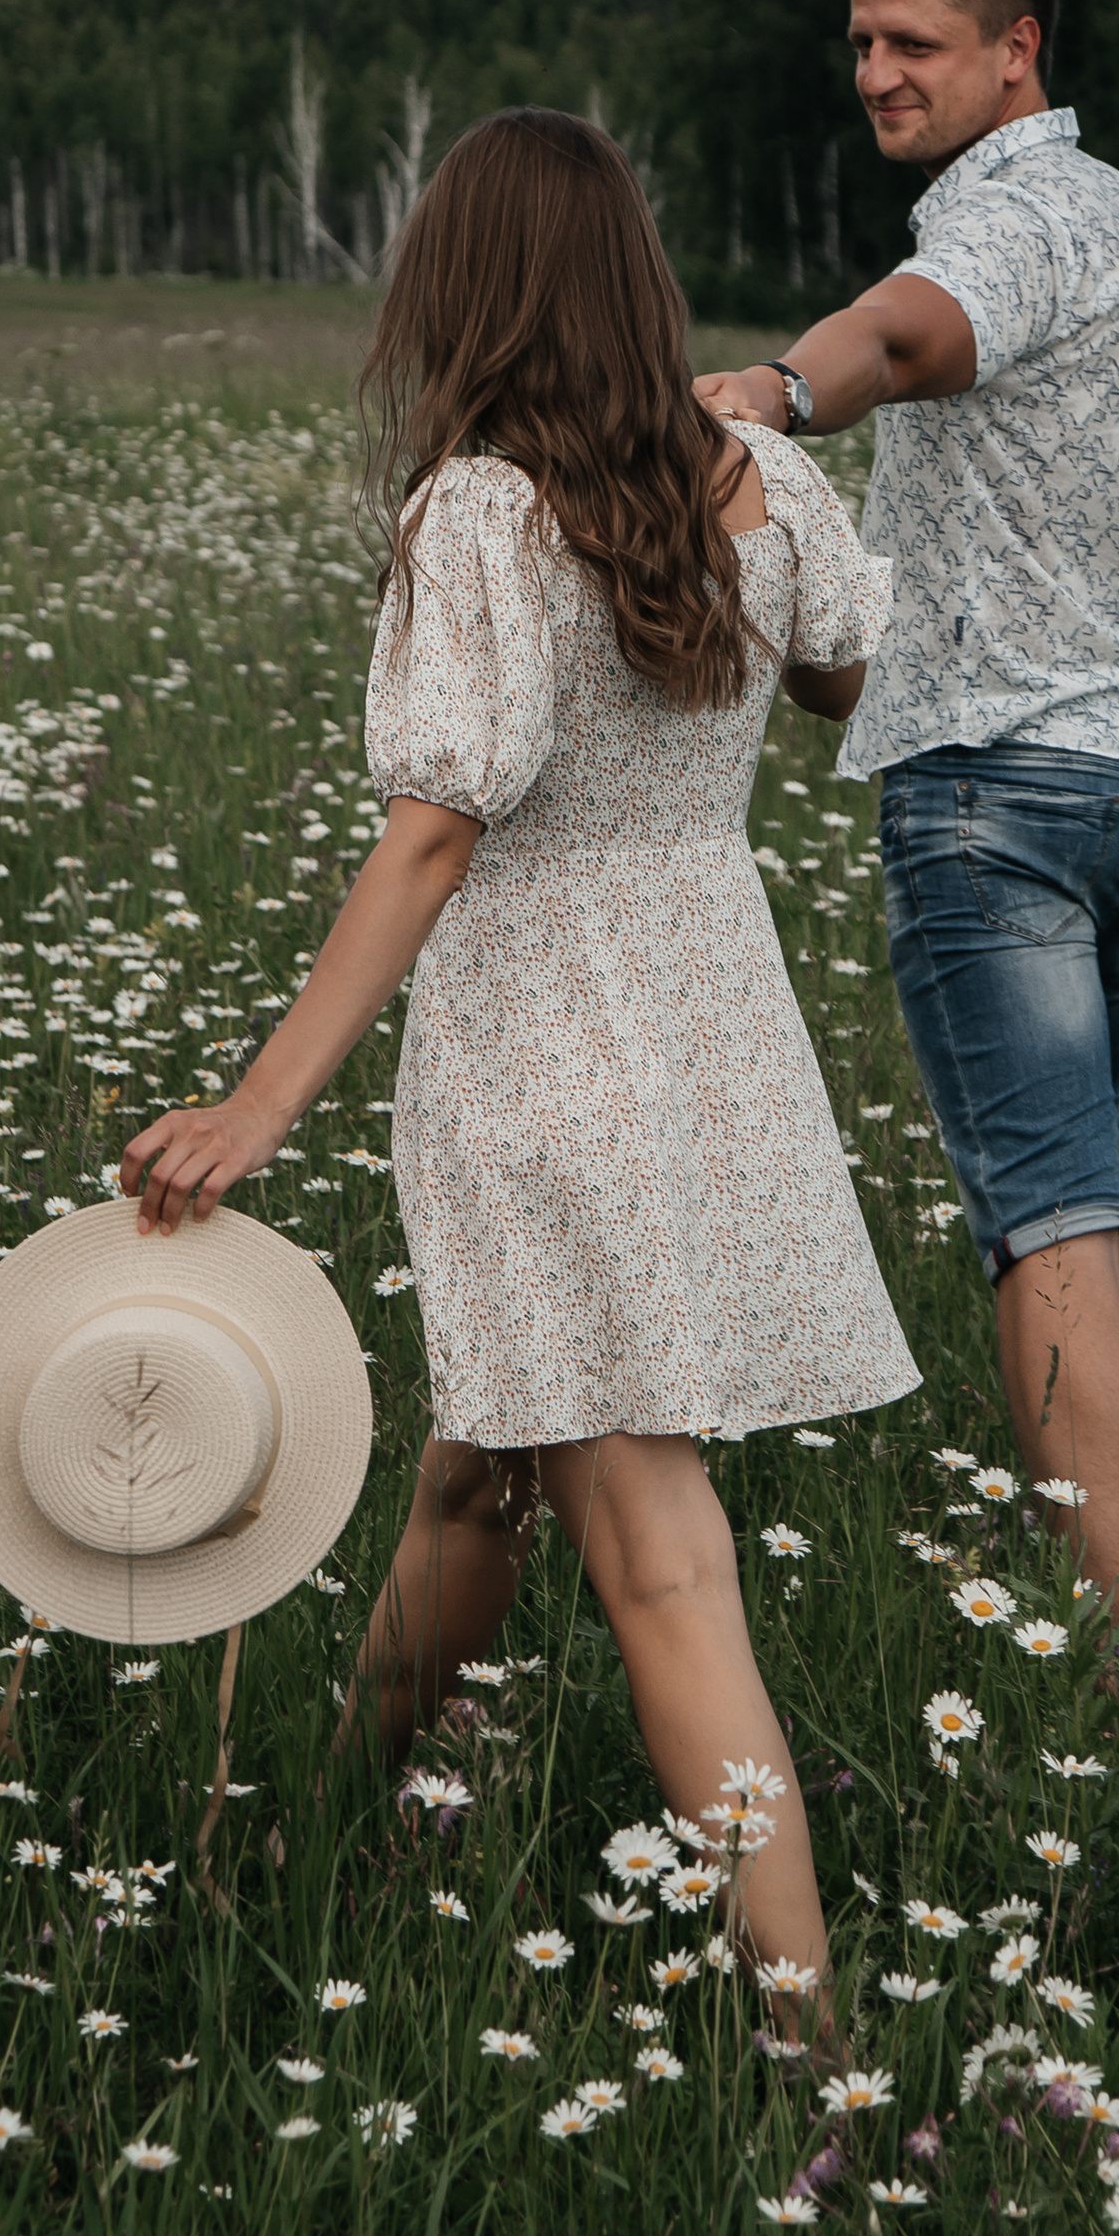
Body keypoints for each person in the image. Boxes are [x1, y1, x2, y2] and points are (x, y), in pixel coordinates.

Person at [121, 107, 917, 2019]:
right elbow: (858, 676)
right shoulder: (750, 486)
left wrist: (260, 1103)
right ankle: (321, 1838)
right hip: (713, 1038)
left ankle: (815, 2048)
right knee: (482, 1471)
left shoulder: (481, 512)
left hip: (544, 1050)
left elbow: (433, 832)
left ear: (464, 294)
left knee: (658, 1556)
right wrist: (758, 582)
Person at [696, 0, 1119, 1659]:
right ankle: (1110, 1556)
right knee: (1077, 1197)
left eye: (914, 43)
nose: (877, 75)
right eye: (861, 44)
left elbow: (904, 339)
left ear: (1016, 49)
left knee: (1047, 1219)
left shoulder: (1014, 226)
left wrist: (765, 390)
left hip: (1000, 804)